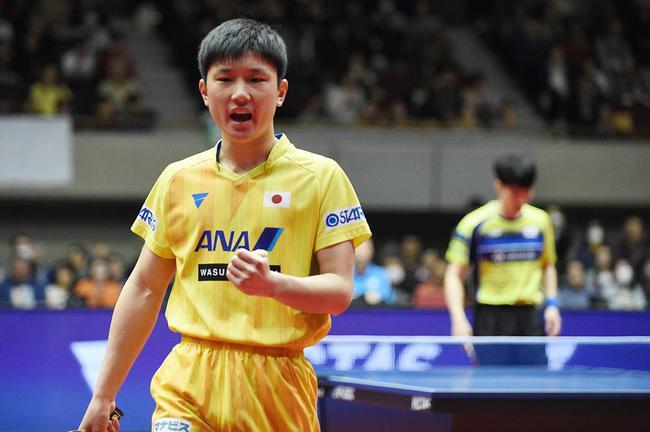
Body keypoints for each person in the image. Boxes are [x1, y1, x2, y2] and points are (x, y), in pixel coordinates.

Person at [78, 18, 371, 432]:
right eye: (225, 79)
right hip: (188, 383)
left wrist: (273, 285)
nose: (240, 93)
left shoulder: (322, 178)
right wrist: (104, 395)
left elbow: (339, 292)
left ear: (281, 91)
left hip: (279, 387)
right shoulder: (178, 179)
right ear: (204, 91)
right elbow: (144, 287)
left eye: (257, 79)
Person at [444, 153, 561, 366]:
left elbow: (548, 265)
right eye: (515, 193)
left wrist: (552, 304)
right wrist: (458, 319)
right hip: (490, 317)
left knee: (536, 383)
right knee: (490, 384)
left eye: (526, 192)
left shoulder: (541, 221)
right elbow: (454, 275)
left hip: (530, 317)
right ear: (498, 187)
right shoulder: (474, 224)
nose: (521, 199)